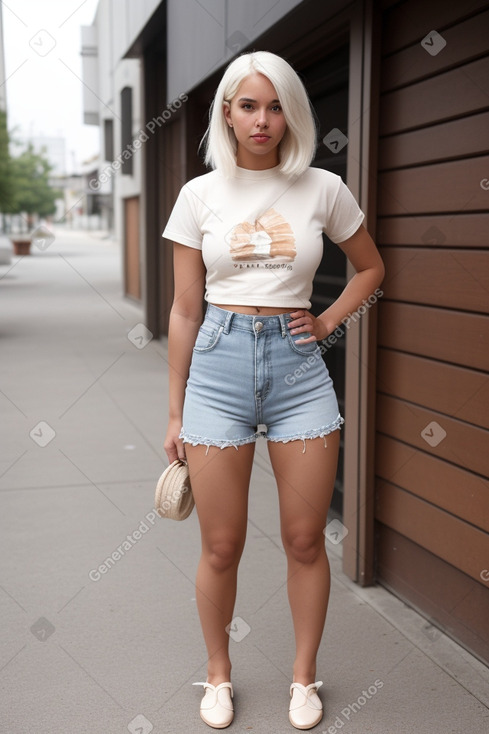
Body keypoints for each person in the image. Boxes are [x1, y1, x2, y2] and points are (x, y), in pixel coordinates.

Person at [163, 50, 384, 730]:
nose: (262, 119)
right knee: (220, 545)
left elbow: (371, 268)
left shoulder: (321, 187)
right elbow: (183, 310)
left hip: (297, 374)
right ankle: (218, 676)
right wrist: (175, 408)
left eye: (275, 104)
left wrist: (323, 320)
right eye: (248, 105)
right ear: (226, 113)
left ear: (292, 112)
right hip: (219, 369)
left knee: (304, 539)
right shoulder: (199, 195)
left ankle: (301, 679)